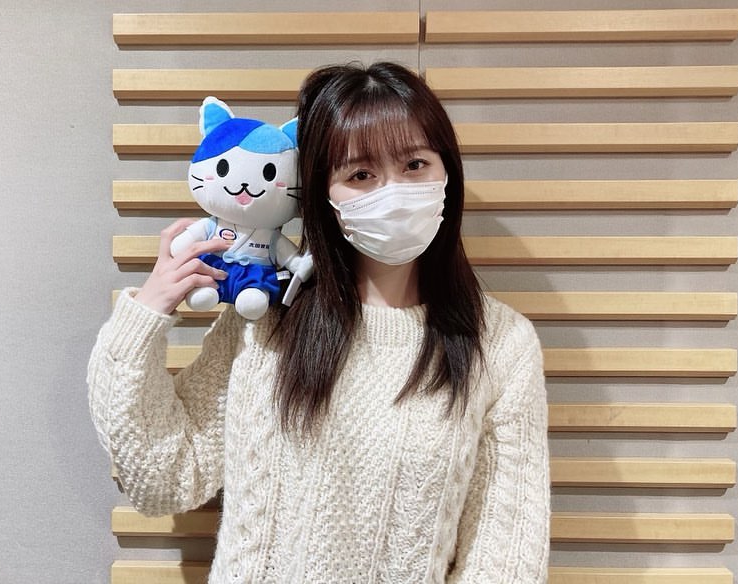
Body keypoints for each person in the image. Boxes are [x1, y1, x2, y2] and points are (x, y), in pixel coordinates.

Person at [88, 61, 550, 583]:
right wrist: (146, 313)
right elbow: (163, 479)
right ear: (322, 197)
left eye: (415, 164)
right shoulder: (269, 318)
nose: (392, 191)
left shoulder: (501, 344)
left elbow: (505, 560)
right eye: (360, 174)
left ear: (448, 172)